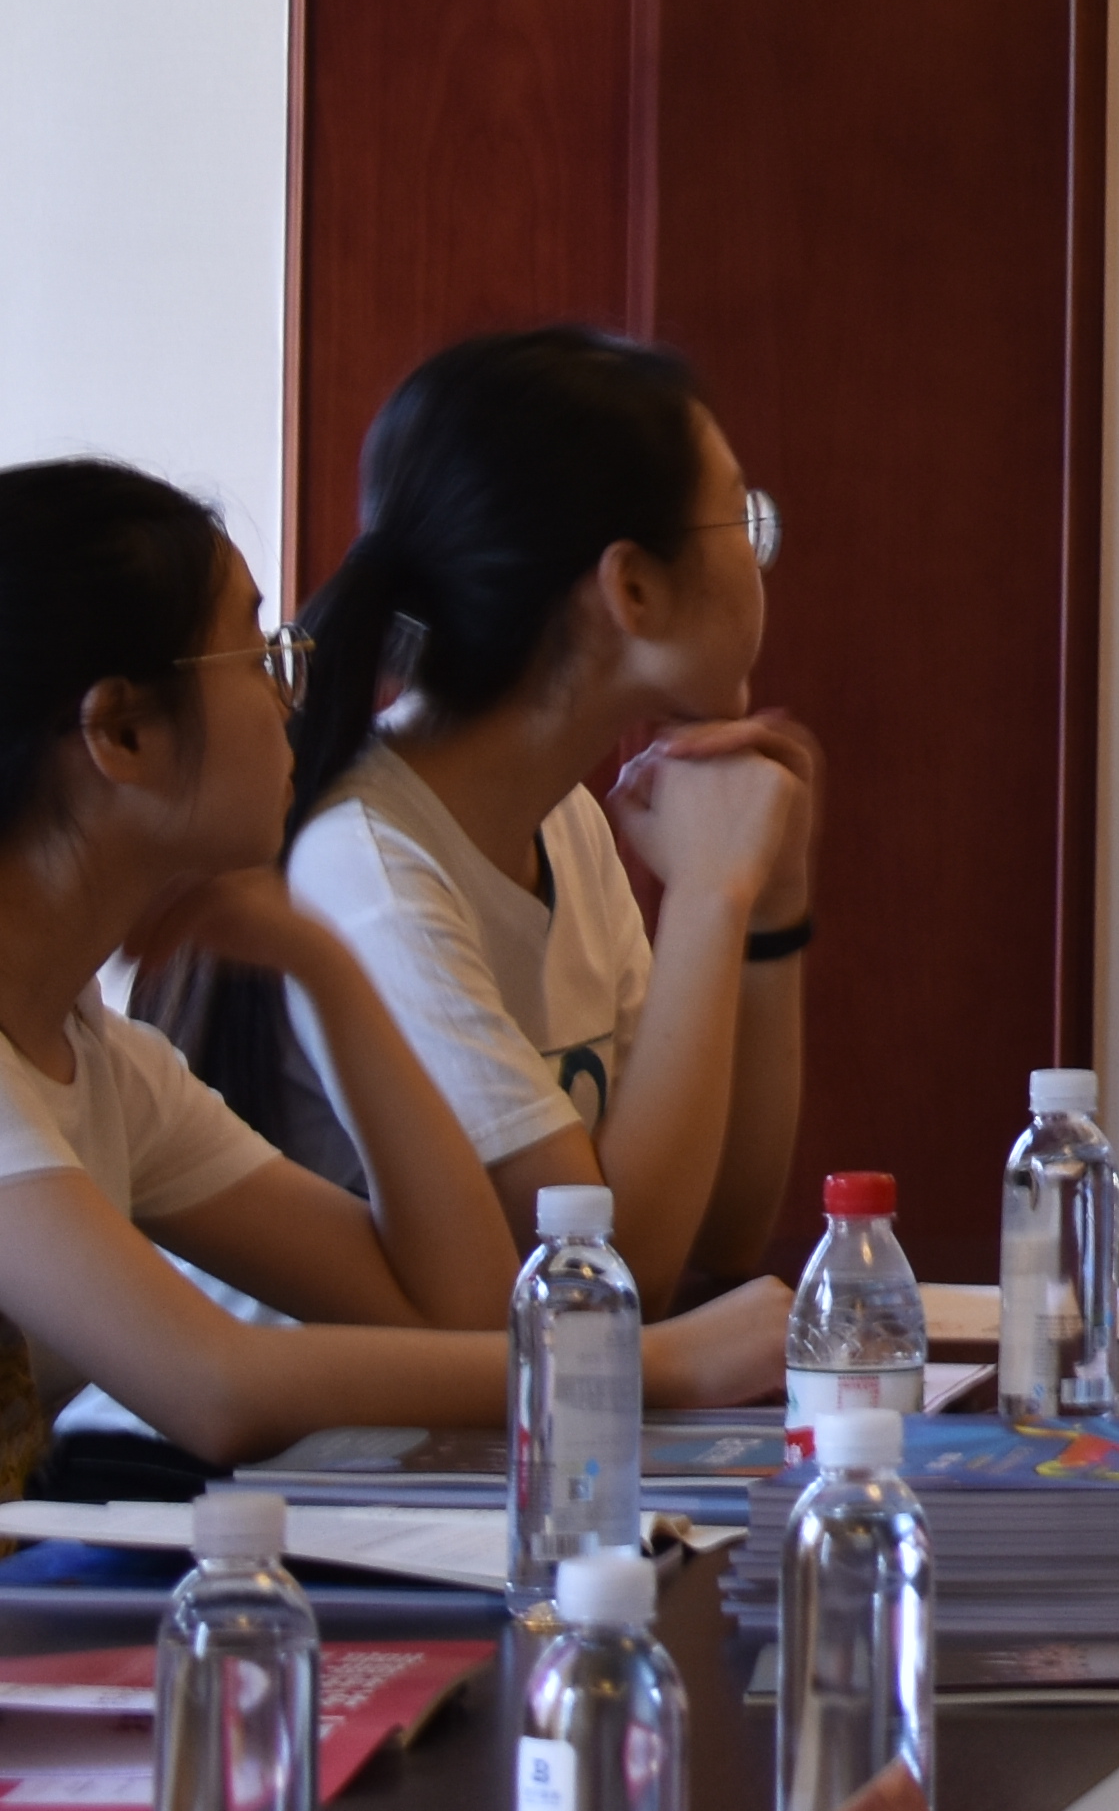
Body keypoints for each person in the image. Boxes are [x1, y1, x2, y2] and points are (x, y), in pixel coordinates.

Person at [1, 457, 789, 1483]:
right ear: (121, 731)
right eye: (258, 655)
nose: (291, 697)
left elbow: (460, 1309)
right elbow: (213, 1386)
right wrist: (646, 1366)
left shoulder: (100, 1063)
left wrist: (324, 968)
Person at [270, 328, 817, 1295]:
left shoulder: (563, 822)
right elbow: (605, 1280)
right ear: (632, 588)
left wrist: (769, 913)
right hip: (357, 1403)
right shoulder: (371, 869)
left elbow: (721, 1235)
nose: (758, 554)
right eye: (739, 518)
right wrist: (707, 895)